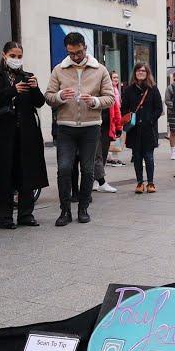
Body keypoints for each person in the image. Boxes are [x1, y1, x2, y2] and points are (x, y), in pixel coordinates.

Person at [45, 32, 115, 226]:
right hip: (65, 127)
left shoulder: (99, 70)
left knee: (87, 168)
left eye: (78, 52)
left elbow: (110, 98)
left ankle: (83, 208)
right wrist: (59, 96)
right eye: (71, 53)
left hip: (90, 127)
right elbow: (48, 96)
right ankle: (64, 211)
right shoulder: (59, 69)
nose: (75, 56)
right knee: (64, 168)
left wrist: (94, 101)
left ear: (85, 47)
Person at [0, 41, 49, 229]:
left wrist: (35, 88)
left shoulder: (27, 76)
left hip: (25, 134)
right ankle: (5, 217)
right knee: (4, 175)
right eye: (13, 56)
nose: (16, 60)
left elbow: (39, 102)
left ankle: (26, 214)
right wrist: (13, 90)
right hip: (2, 135)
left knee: (26, 173)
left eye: (20, 56)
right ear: (4, 55)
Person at [121, 64, 163, 193]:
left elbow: (159, 108)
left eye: (143, 71)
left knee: (149, 156)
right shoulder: (128, 90)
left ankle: (150, 183)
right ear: (134, 73)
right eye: (138, 70)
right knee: (137, 156)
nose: (140, 73)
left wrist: (150, 120)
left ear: (147, 73)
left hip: (148, 129)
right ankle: (139, 182)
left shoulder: (153, 89)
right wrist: (127, 119)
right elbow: (124, 109)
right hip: (134, 129)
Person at [92, 72, 122, 194]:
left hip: (107, 127)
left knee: (103, 155)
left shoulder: (110, 91)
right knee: (97, 155)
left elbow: (116, 109)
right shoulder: (92, 90)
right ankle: (101, 182)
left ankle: (96, 180)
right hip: (95, 126)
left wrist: (118, 126)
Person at [106, 71, 126, 166]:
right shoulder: (110, 89)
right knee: (113, 137)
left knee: (116, 137)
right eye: (114, 78)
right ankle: (111, 158)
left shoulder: (116, 89)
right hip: (113, 116)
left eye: (117, 78)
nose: (116, 79)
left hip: (117, 115)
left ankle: (112, 157)